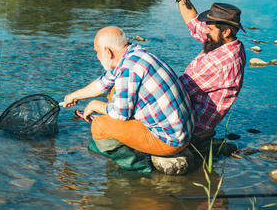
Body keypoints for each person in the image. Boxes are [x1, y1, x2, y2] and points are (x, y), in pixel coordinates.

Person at [63, 26, 193, 173]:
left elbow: (120, 114)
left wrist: (94, 105)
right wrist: (73, 96)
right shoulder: (135, 54)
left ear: (107, 51)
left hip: (169, 141)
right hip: (181, 131)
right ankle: (136, 147)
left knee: (99, 126)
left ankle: (141, 167)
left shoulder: (128, 69)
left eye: (97, 52)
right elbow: (102, 83)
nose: (97, 56)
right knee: (113, 93)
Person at [168, 0, 246, 142]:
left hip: (190, 126)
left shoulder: (218, 62)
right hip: (201, 121)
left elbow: (175, 92)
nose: (206, 31)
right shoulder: (233, 45)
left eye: (210, 29)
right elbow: (193, 22)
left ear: (225, 32)